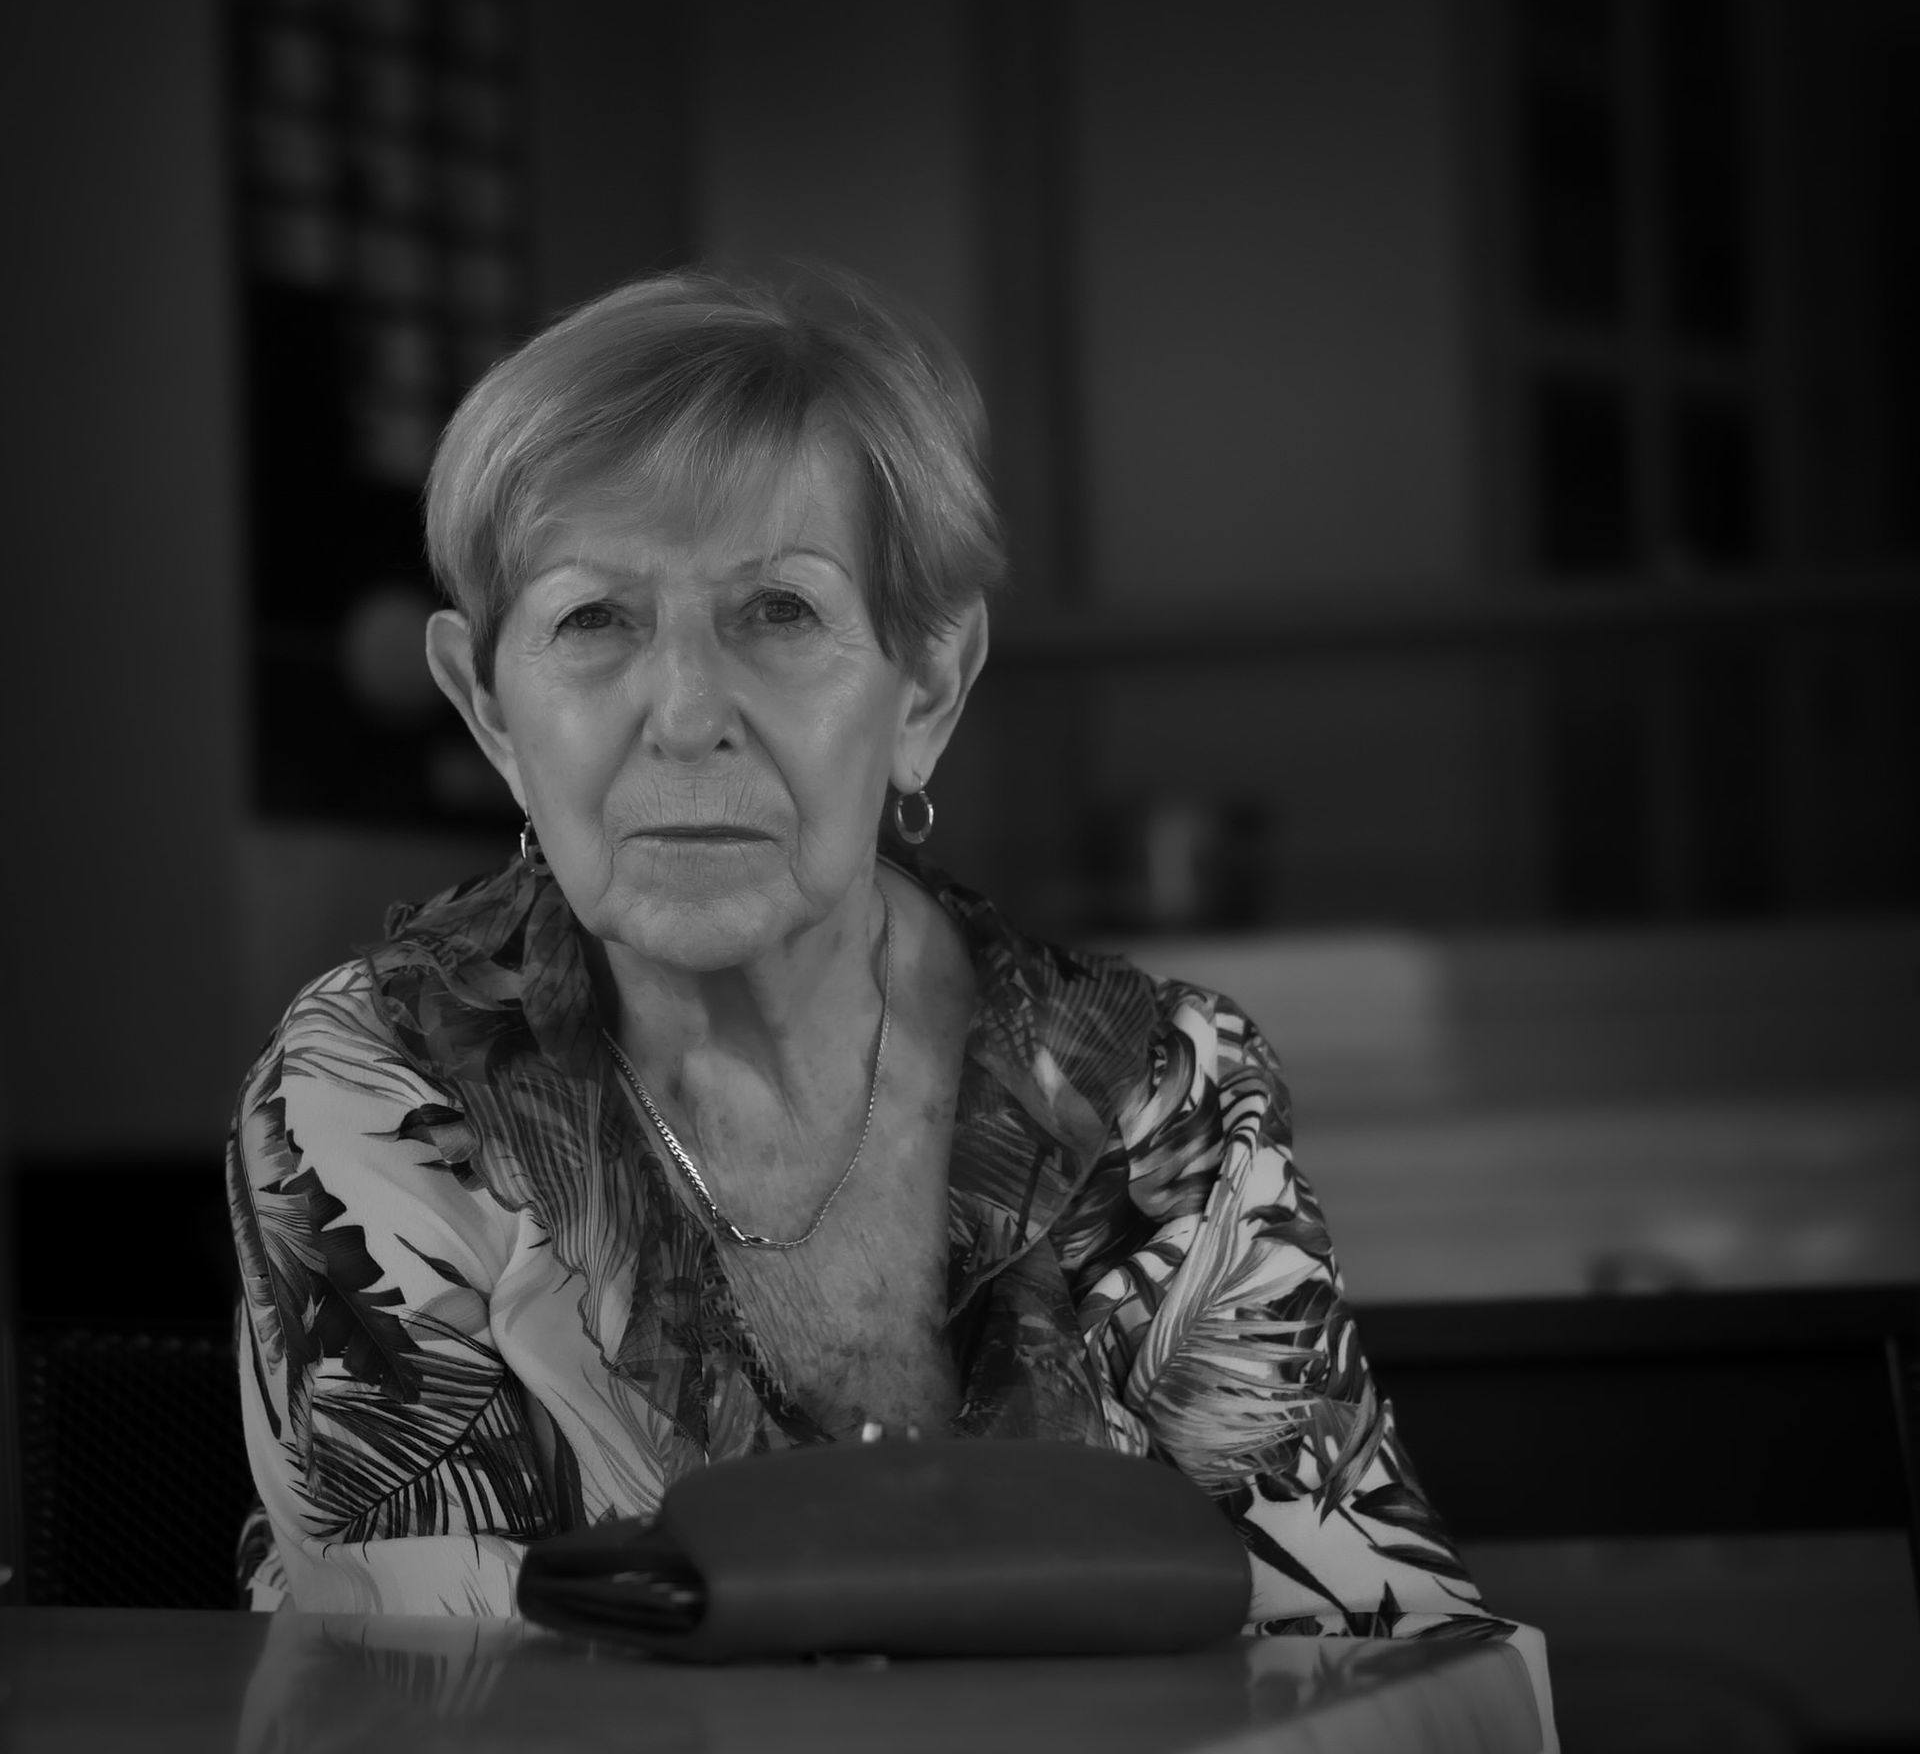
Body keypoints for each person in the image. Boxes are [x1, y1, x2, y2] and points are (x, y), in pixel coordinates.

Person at [228, 268, 1490, 1631]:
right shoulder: (385, 1086)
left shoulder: (1154, 1094)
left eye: (779, 611)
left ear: (926, 688)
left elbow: (1374, 1640)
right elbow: (444, 1687)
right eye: (594, 620)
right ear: (489, 711)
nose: (686, 712)